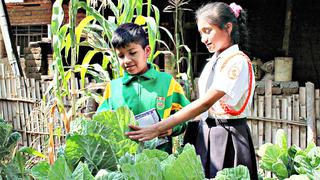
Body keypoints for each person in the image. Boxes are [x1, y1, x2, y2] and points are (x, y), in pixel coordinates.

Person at [126, 2, 258, 179]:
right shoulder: (214, 61)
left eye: (208, 31)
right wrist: (171, 128)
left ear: (228, 27)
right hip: (205, 132)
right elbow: (206, 108)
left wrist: (158, 128)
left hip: (227, 138)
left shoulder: (238, 62)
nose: (203, 39)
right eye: (201, 33)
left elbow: (205, 103)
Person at [97, 23, 190, 154]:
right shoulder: (113, 88)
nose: (127, 60)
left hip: (160, 159)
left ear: (147, 51)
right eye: (121, 56)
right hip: (123, 162)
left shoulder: (167, 82)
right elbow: (101, 122)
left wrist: (172, 128)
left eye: (132, 53)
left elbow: (186, 116)